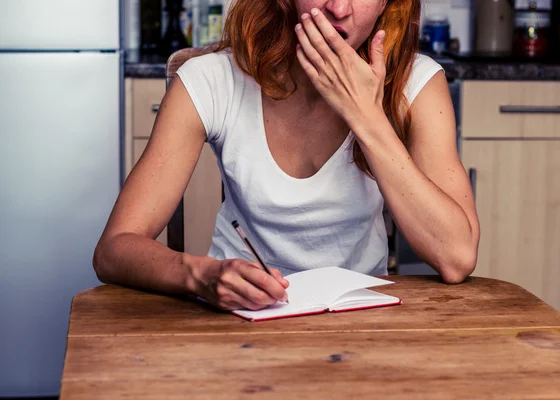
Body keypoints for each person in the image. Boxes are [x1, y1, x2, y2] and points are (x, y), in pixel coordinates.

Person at [93, 0, 480, 312]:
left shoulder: (418, 83)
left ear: (385, 4)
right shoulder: (213, 79)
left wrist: (367, 117)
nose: (339, 9)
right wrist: (203, 276)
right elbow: (114, 249)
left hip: (360, 317)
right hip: (235, 321)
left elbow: (456, 257)